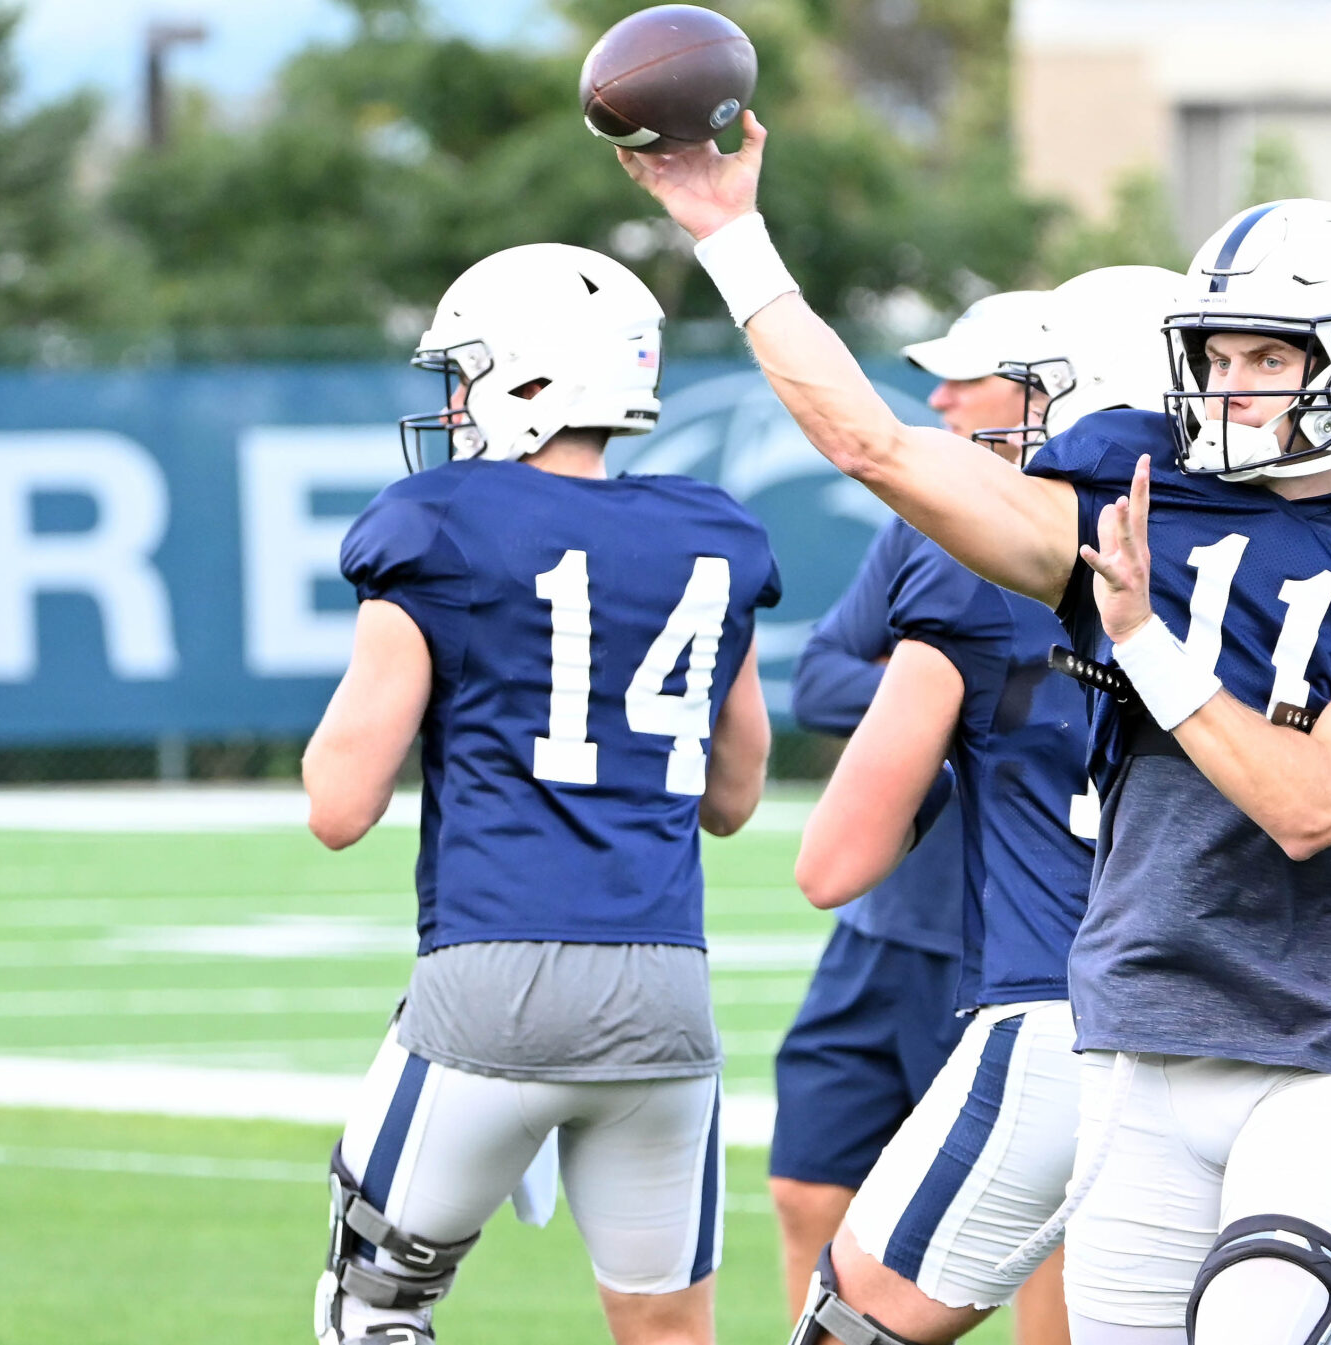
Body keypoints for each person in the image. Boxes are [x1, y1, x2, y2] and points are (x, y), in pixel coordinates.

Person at [618, 118, 1331, 1345]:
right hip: (1128, 1032)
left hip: (1313, 1034)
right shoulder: (1125, 497)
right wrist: (730, 234)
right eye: (1215, 357)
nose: (1230, 386)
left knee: (1262, 1322)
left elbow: (1312, 802)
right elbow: (874, 444)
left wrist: (1147, 641)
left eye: (1269, 356)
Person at [301, 242, 783, 1345]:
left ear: (527, 382)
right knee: (666, 1328)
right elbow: (734, 796)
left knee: (372, 1311)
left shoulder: (442, 524)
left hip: (493, 976)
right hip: (665, 992)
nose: (454, 403)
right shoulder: (713, 536)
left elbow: (339, 805)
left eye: (467, 375)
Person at [784, 265, 1179, 1345]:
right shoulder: (1305, 561)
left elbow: (830, 863)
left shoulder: (971, 573)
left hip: (1063, 1005)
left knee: (858, 1319)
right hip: (1265, 1029)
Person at [769, 287, 1063, 1333]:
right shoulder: (926, 522)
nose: (934, 395)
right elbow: (819, 678)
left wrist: (942, 693)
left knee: (1031, 1231)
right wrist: (945, 698)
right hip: (883, 922)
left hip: (1009, 942)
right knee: (808, 1184)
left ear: (1045, 393)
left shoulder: (1126, 545)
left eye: (964, 375)